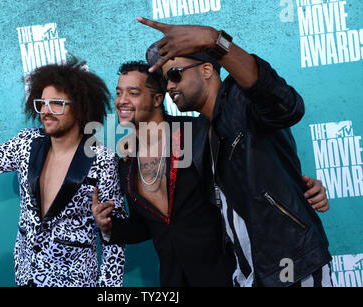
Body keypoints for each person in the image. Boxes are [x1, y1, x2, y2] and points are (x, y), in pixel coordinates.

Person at [92, 60, 330, 287]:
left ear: (157, 99)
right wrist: (110, 228)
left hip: (227, 274)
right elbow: (151, 226)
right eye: (119, 92)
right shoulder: (126, 161)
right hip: (174, 279)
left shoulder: (197, 134)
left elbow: (250, 168)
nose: (122, 101)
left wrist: (305, 188)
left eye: (132, 93)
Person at [138, 16, 332, 287]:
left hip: (292, 268)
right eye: (164, 79)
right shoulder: (199, 132)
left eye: (174, 74)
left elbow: (287, 105)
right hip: (246, 275)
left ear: (207, 69)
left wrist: (216, 41)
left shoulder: (243, 102)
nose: (169, 85)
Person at [0, 59, 127, 287]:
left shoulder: (102, 159)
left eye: (57, 104)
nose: (46, 111)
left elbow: (115, 237)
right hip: (27, 277)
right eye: (42, 103)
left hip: (76, 281)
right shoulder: (26, 143)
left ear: (81, 108)